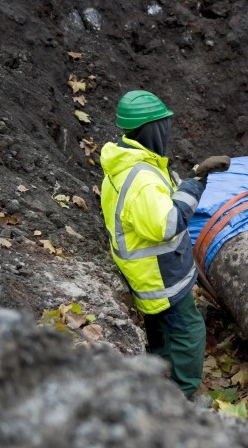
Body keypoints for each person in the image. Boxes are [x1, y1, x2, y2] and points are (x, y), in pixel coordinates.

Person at [99, 90, 229, 398]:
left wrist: (194, 174)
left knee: (161, 330)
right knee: (190, 332)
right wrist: (195, 184)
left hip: (143, 272)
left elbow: (153, 209)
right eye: (163, 123)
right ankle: (184, 395)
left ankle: (159, 379)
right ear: (151, 128)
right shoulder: (141, 178)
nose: (167, 129)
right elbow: (168, 224)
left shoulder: (127, 162)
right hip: (161, 276)